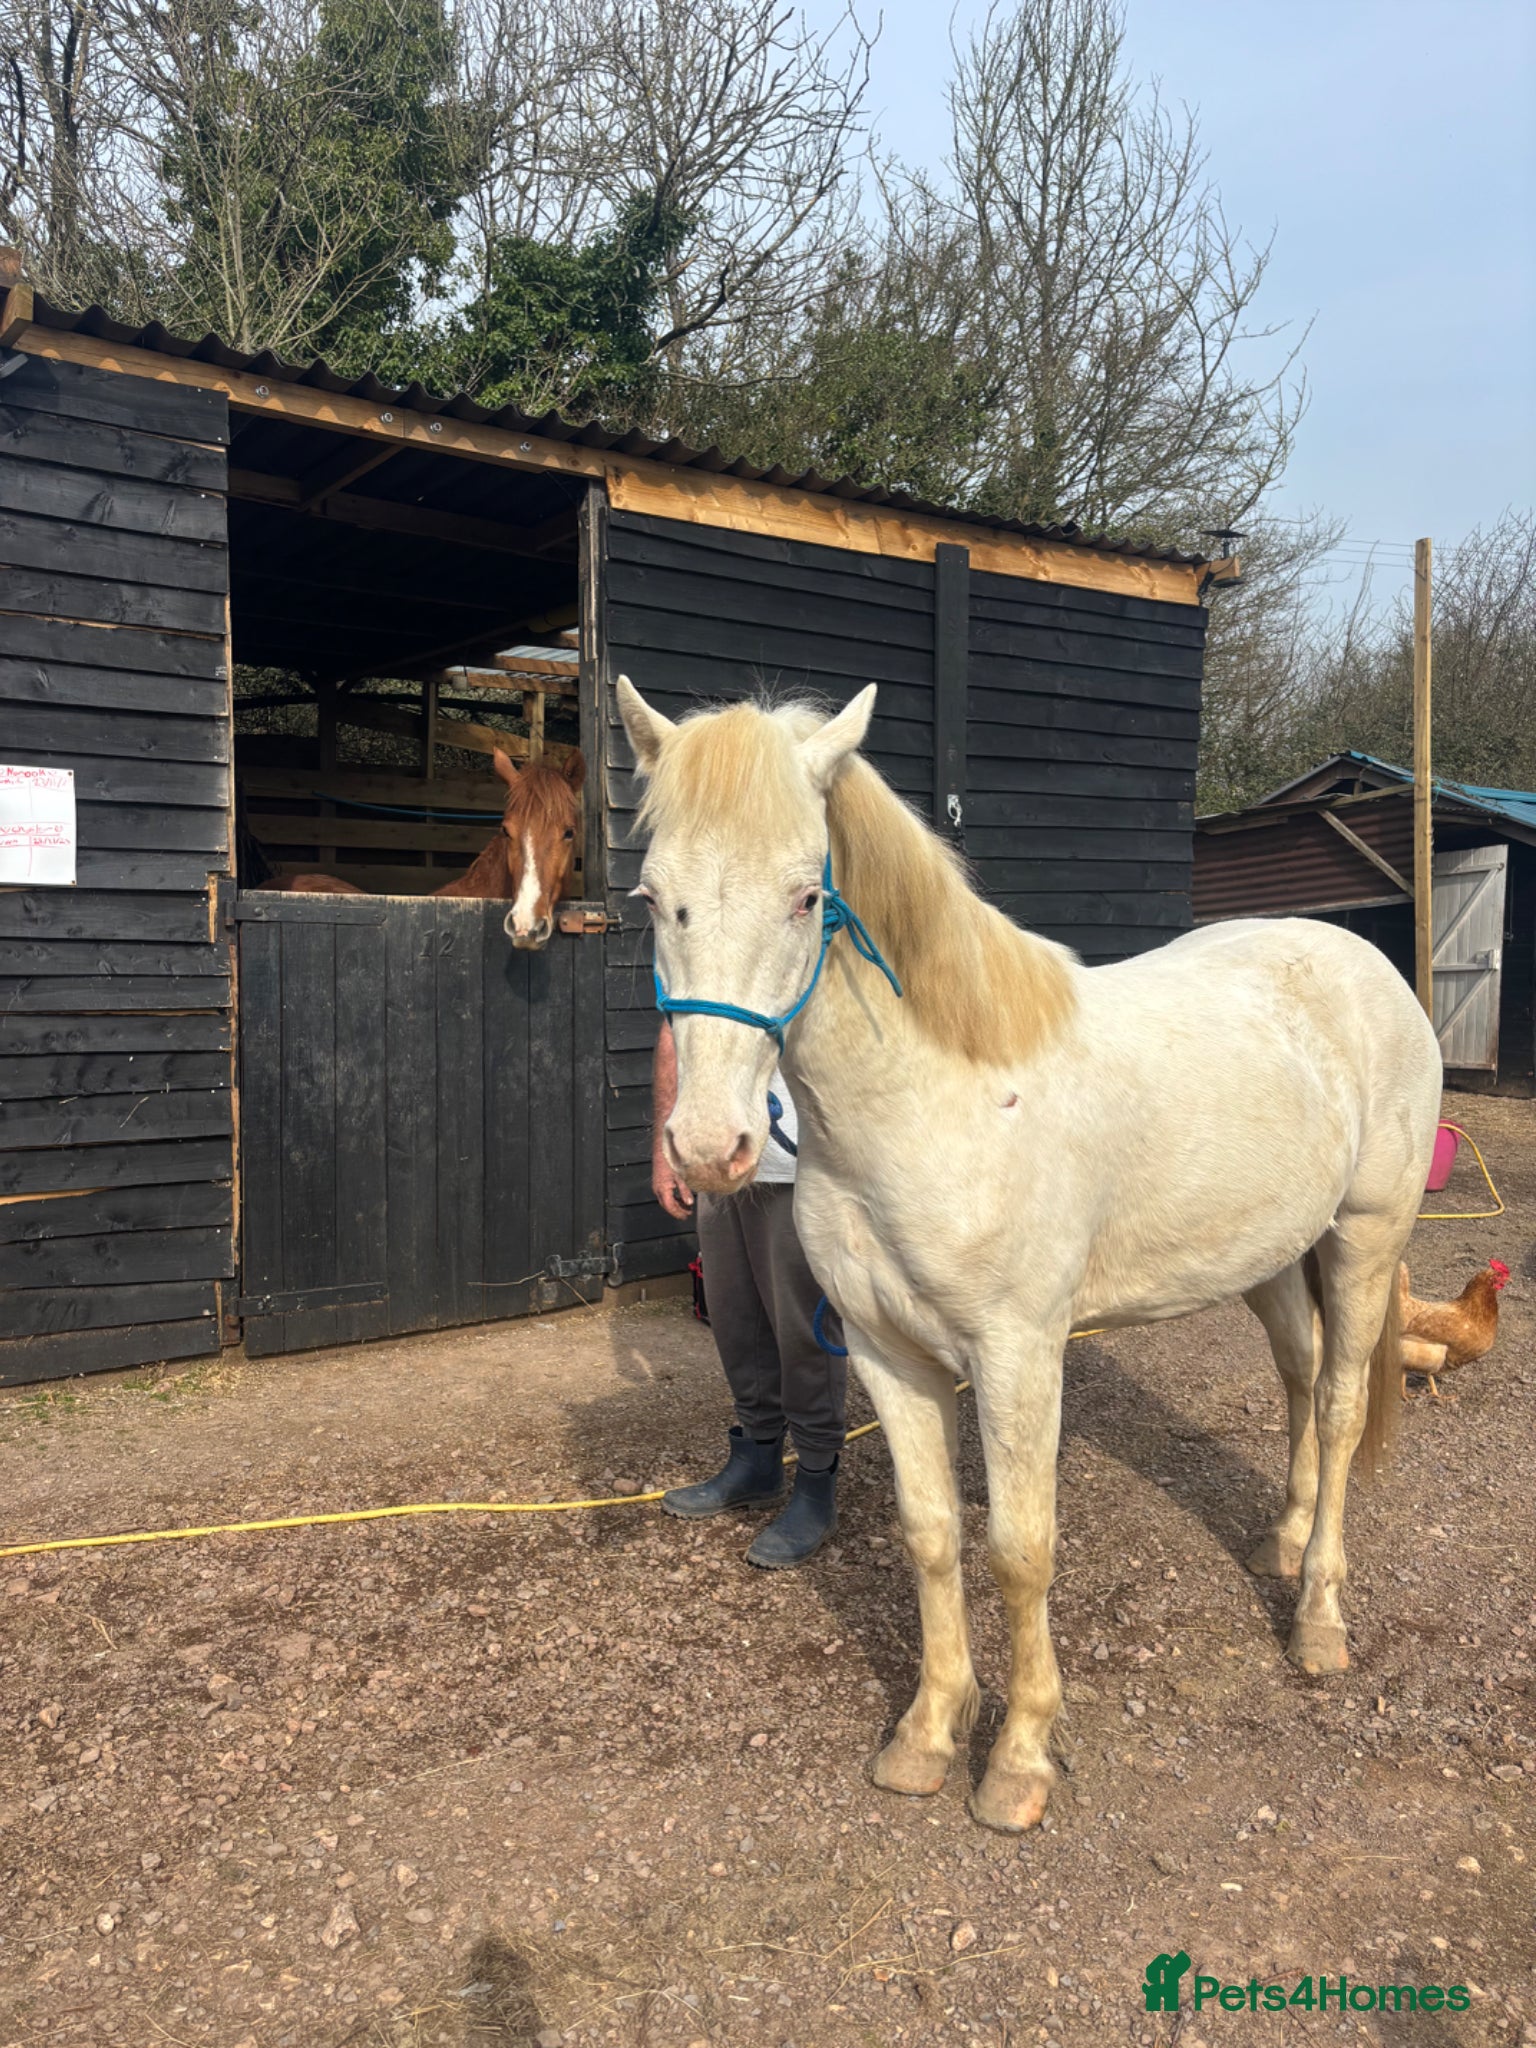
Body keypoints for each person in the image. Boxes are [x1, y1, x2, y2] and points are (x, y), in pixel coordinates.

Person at [650, 1018, 845, 1566]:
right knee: (735, 1321)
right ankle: (757, 1460)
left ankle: (816, 1480)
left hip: (796, 1162)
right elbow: (672, 1030)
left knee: (801, 1330)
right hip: (714, 1157)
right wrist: (667, 1148)